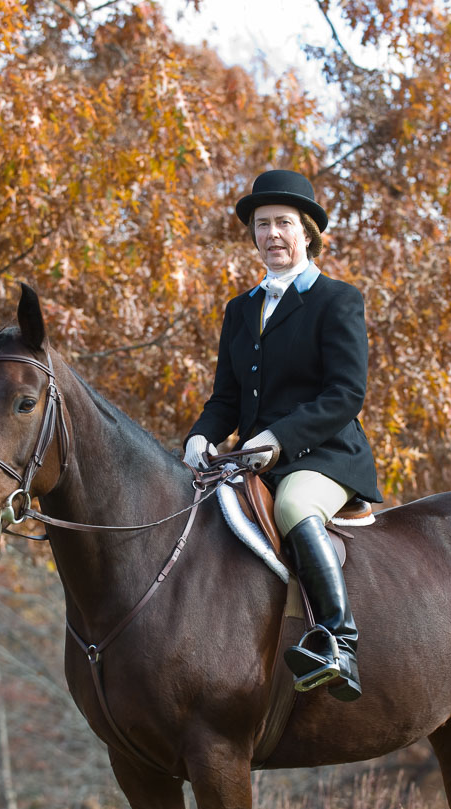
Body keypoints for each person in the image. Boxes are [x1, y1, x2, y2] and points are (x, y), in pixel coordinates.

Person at [183, 169, 382, 702]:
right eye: (263, 224)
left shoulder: (337, 299)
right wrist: (200, 437)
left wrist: (276, 437)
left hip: (325, 455)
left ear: (307, 233)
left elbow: (346, 394)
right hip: (252, 459)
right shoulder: (240, 309)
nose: (272, 234)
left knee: (294, 505)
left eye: (284, 223)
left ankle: (338, 645)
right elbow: (226, 398)